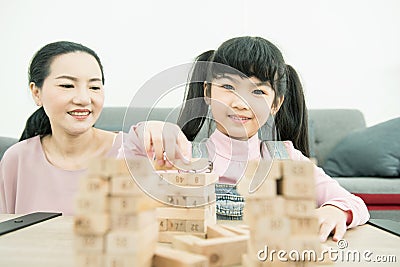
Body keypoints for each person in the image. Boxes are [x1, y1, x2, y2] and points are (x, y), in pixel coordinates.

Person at [139, 36, 370, 242]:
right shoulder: (183, 156)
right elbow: (125, 176)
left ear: (276, 104)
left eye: (258, 91)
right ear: (208, 93)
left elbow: (355, 204)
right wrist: (147, 130)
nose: (241, 103)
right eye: (228, 86)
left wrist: (335, 211)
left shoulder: (287, 158)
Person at [0, 41, 190, 215]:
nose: (83, 98)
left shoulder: (132, 152)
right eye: (67, 85)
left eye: (94, 87)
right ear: (36, 93)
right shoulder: (16, 159)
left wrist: (156, 129)